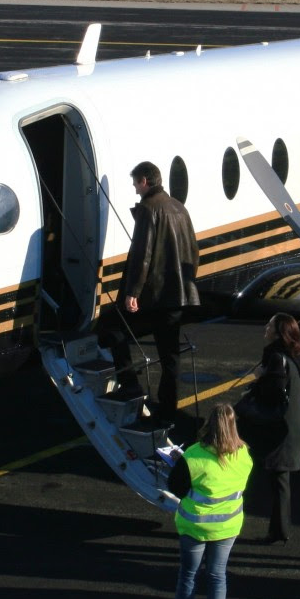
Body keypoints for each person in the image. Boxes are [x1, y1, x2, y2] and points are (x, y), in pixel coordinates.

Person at [109, 161, 200, 429]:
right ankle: (168, 410)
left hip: (156, 297)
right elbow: (194, 252)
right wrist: (187, 282)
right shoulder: (179, 208)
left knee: (115, 329)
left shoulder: (149, 209)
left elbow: (143, 254)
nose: (135, 189)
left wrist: (132, 292)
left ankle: (130, 385)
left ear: (145, 181)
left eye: (136, 183)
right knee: (170, 355)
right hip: (178, 295)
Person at [163, 402, 253, 599]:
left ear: (209, 425)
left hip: (195, 527)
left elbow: (176, 488)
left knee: (188, 578)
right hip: (228, 527)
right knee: (217, 577)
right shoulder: (243, 454)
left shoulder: (193, 456)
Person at [237, 313, 300, 545]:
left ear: (278, 333)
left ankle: (278, 531)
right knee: (280, 481)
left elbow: (273, 391)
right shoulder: (294, 357)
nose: (264, 329)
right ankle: (279, 529)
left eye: (269, 326)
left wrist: (258, 379)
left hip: (277, 429)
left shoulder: (276, 359)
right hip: (288, 426)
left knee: (276, 481)